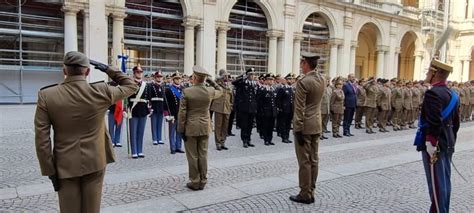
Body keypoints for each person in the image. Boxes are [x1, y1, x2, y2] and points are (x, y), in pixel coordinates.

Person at [34, 51, 138, 213]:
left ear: (64, 71)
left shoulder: (47, 96)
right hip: (95, 160)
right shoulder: (101, 91)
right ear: (88, 71)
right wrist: (109, 69)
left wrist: (49, 170)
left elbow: (42, 138)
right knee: (92, 209)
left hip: (65, 164)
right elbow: (131, 85)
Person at [416, 59, 460, 213]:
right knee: (445, 181)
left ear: (435, 74)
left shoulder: (433, 93)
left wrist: (431, 143)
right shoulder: (453, 94)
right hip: (447, 143)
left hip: (435, 146)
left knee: (436, 184)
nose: (427, 74)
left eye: (429, 72)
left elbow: (434, 121)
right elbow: (456, 124)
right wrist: (450, 141)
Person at [177, 65, 222, 191]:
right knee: (203, 154)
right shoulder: (210, 91)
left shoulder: (187, 91)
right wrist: (211, 81)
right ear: (204, 79)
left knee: (192, 155)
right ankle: (203, 180)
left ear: (195, 77)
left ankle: (195, 181)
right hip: (205, 126)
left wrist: (180, 129)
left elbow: (182, 113)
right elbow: (221, 90)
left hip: (190, 127)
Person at [289, 52, 325, 204]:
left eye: (302, 63)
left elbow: (299, 109)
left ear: (305, 64)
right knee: (314, 159)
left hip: (305, 126)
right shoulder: (322, 79)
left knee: (304, 161)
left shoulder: (304, 82)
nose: (300, 66)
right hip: (316, 124)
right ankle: (312, 190)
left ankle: (305, 194)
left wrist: (297, 129)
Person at [127, 66, 150, 159]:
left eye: (140, 72)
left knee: (141, 132)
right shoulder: (130, 84)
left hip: (143, 109)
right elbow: (126, 98)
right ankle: (134, 151)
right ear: (134, 73)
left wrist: (149, 108)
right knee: (133, 132)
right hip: (133, 109)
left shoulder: (146, 85)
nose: (139, 73)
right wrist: (126, 109)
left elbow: (148, 97)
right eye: (137, 72)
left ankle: (140, 150)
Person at [232, 68, 258, 148]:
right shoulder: (243, 83)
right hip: (244, 108)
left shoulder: (254, 84)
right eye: (250, 74)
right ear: (247, 75)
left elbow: (255, 97)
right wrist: (242, 77)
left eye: (253, 74)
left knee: (250, 125)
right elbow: (234, 82)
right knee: (244, 125)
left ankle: (249, 139)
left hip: (252, 108)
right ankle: (244, 140)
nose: (252, 76)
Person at [210, 69, 233, 150]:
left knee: (225, 126)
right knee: (218, 126)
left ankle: (223, 142)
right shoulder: (217, 83)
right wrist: (219, 79)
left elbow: (231, 96)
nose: (226, 77)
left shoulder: (229, 84)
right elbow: (211, 83)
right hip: (218, 107)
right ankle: (218, 143)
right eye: (225, 75)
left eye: (227, 75)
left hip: (227, 107)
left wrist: (231, 105)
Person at [164, 72, 185, 154]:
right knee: (172, 131)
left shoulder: (183, 89)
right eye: (176, 79)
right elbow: (166, 103)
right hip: (172, 113)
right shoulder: (168, 89)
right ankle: (172, 147)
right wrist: (167, 114)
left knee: (179, 131)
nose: (178, 80)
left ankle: (178, 147)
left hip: (180, 113)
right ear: (173, 80)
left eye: (179, 79)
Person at [258, 74, 278, 146]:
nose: (271, 81)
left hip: (272, 111)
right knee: (265, 126)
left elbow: (275, 101)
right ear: (266, 81)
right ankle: (266, 139)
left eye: (272, 80)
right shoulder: (263, 89)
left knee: (271, 126)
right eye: (269, 80)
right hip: (265, 111)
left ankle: (270, 139)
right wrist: (261, 111)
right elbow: (260, 101)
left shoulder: (273, 89)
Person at [276, 73, 296, 143]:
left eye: (292, 79)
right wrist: (280, 108)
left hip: (290, 109)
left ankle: (287, 137)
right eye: (289, 79)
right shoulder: (283, 89)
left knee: (288, 124)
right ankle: (284, 137)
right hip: (284, 109)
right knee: (283, 123)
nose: (291, 80)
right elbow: (278, 99)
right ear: (286, 80)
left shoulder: (292, 89)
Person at [149, 71, 165, 145]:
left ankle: (159, 138)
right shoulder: (151, 86)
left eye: (160, 77)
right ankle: (154, 138)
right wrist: (150, 107)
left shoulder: (162, 86)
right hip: (154, 106)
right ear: (155, 78)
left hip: (161, 106)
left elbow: (164, 99)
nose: (159, 78)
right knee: (154, 123)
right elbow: (149, 97)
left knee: (160, 123)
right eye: (158, 77)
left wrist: (165, 109)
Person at [107, 81, 123, 147]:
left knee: (118, 126)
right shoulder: (109, 85)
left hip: (120, 110)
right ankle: (112, 141)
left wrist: (125, 109)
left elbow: (125, 99)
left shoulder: (122, 86)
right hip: (111, 109)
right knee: (111, 126)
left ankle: (117, 140)